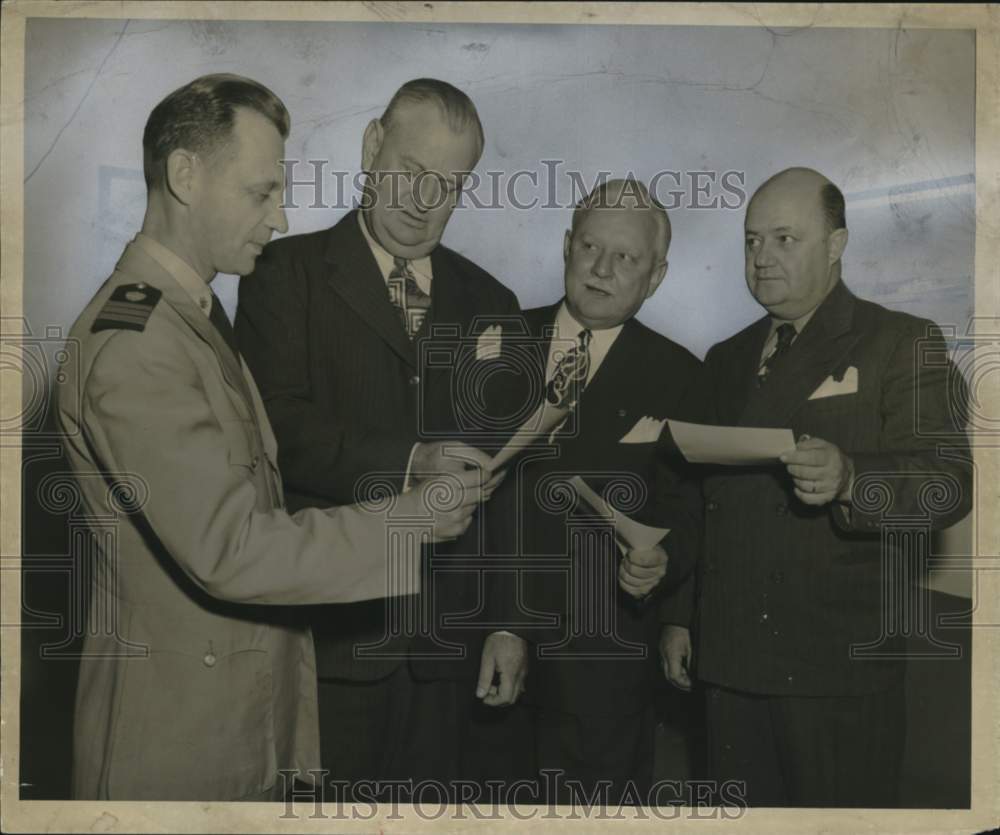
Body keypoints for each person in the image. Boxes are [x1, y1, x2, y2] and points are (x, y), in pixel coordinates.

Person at [55, 74, 487, 802]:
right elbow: (233, 547)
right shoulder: (139, 342)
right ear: (184, 175)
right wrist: (410, 518)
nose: (280, 217)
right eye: (260, 193)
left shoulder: (186, 318)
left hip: (231, 720)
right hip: (177, 744)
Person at [235, 78, 526, 795]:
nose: (425, 203)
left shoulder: (494, 302)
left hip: (449, 653)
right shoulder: (282, 274)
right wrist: (409, 461)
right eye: (412, 174)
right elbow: (275, 425)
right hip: (331, 640)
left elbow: (515, 481)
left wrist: (509, 624)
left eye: (449, 186)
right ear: (371, 147)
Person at [659, 167, 972, 807]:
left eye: (784, 239)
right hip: (728, 661)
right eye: (751, 241)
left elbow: (948, 484)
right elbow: (698, 502)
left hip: (837, 670)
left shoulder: (901, 341)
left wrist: (854, 477)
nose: (762, 259)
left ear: (836, 245)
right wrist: (678, 617)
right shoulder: (725, 358)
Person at [491, 179, 703, 804]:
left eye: (627, 258)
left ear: (656, 276)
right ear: (565, 246)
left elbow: (686, 509)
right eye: (589, 245)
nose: (602, 269)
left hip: (602, 666)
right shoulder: (493, 342)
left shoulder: (681, 376)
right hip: (481, 643)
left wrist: (664, 564)